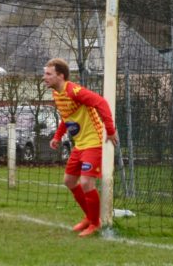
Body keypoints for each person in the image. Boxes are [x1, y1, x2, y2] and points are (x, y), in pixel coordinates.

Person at [43, 58, 117, 238]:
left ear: (60, 76)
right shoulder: (57, 94)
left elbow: (101, 102)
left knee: (86, 183)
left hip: (94, 142)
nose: (44, 77)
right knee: (69, 181)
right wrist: (57, 136)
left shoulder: (74, 91)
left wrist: (110, 130)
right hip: (80, 145)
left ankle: (95, 223)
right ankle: (90, 217)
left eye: (48, 74)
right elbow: (67, 116)